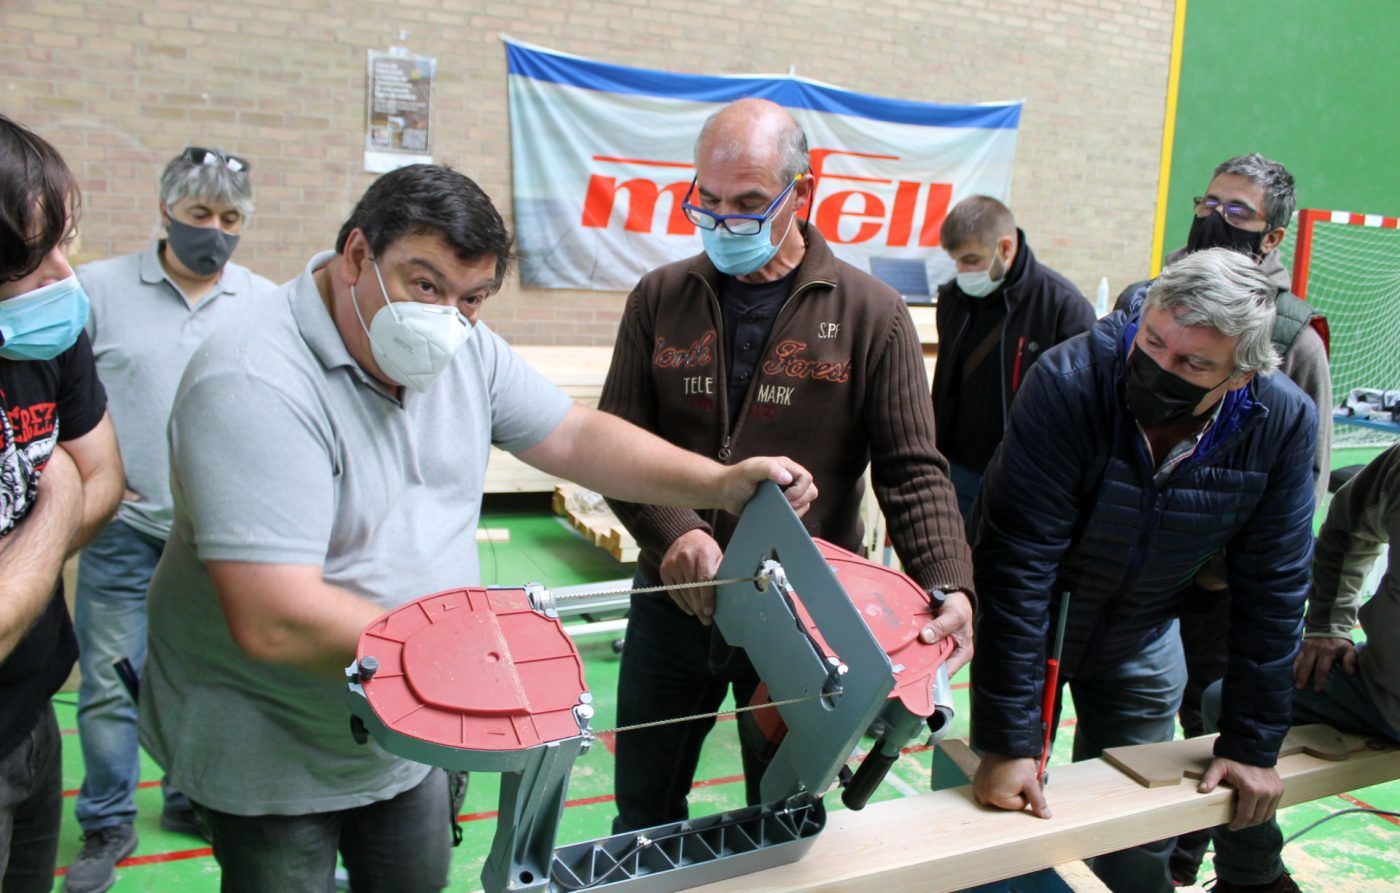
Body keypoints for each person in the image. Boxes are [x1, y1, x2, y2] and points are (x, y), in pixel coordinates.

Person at [135, 162, 818, 892]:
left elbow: (576, 437)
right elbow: (274, 618)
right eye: (423, 285)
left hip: (413, 724)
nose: (446, 317)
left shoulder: (461, 345)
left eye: (473, 297)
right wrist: (469, 656)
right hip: (275, 743)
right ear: (357, 256)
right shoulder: (254, 379)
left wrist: (717, 481)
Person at [598, 98, 974, 833]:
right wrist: (673, 531)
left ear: (803, 192)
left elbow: (912, 470)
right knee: (644, 806)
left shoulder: (873, 313)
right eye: (705, 201)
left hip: (803, 617)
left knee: (783, 814)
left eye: (746, 203)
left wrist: (948, 582)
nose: (720, 220)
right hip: (673, 602)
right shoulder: (660, 299)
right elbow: (617, 442)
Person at [969, 249, 1317, 893]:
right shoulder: (1068, 381)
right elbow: (1018, 567)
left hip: (1146, 634)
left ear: (1241, 376)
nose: (1159, 367)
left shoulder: (1282, 423)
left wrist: (1250, 744)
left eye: (1192, 364)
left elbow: (1274, 590)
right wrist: (1009, 739)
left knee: (1136, 848)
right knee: (998, 839)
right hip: (1036, 629)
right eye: (1153, 341)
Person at [64, 146, 277, 893]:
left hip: (220, 534)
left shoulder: (264, 301)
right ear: (165, 211)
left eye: (229, 219)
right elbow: (50, 386)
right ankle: (107, 817)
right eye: (198, 215)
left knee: (210, 678)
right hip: (124, 532)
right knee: (109, 680)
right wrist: (82, 475)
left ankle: (193, 794)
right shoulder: (96, 289)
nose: (213, 232)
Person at [1117, 154, 1333, 886]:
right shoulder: (1145, 302)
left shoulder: (1295, 337)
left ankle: (1225, 869)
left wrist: (1214, 566)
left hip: (1219, 588)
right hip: (1129, 571)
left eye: (1237, 212)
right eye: (1209, 202)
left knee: (1218, 738)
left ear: (1272, 238)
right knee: (1128, 737)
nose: (1213, 218)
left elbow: (1298, 482)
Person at [0, 114, 124, 892]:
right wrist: (54, 504)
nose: (60, 273)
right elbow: (80, 482)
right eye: (29, 259)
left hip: (31, 709)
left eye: (64, 240)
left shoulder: (44, 334)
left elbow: (106, 473)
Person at [1201, 444, 1400, 893]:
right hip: (1382, 691)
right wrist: (1328, 622)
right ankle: (1254, 880)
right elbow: (1348, 527)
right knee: (1232, 702)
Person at [931, 195, 1095, 517]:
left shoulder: (1063, 306)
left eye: (971, 259)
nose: (962, 271)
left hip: (1027, 479)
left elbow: (1085, 408)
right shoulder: (953, 299)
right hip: (956, 471)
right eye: (956, 261)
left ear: (1005, 248)